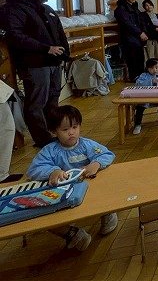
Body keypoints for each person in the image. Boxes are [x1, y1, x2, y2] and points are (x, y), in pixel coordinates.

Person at [26, 105, 118, 250]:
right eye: (65, 129)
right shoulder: (50, 150)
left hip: (91, 188)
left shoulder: (86, 145)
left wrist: (96, 163)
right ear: (54, 131)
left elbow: (107, 154)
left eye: (75, 127)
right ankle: (75, 235)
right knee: (43, 214)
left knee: (104, 189)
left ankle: (108, 213)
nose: (71, 132)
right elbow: (33, 170)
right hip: (64, 192)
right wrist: (53, 171)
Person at [0, 0, 69, 148]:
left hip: (54, 61)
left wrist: (65, 54)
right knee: (37, 102)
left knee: (53, 99)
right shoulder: (12, 9)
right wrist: (46, 48)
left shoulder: (45, 8)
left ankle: (54, 132)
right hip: (34, 63)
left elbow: (59, 32)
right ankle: (42, 139)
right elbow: (15, 36)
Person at [114, 0, 147, 82]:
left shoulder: (134, 7)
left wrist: (144, 32)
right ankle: (134, 78)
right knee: (132, 59)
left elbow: (141, 21)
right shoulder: (120, 9)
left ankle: (141, 78)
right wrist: (140, 33)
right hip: (128, 38)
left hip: (138, 37)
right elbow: (127, 23)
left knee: (140, 58)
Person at [132, 58, 158, 135]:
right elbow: (138, 84)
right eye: (151, 68)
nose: (154, 70)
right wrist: (151, 81)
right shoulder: (144, 75)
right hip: (146, 98)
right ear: (147, 68)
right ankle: (137, 124)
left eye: (156, 67)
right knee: (140, 108)